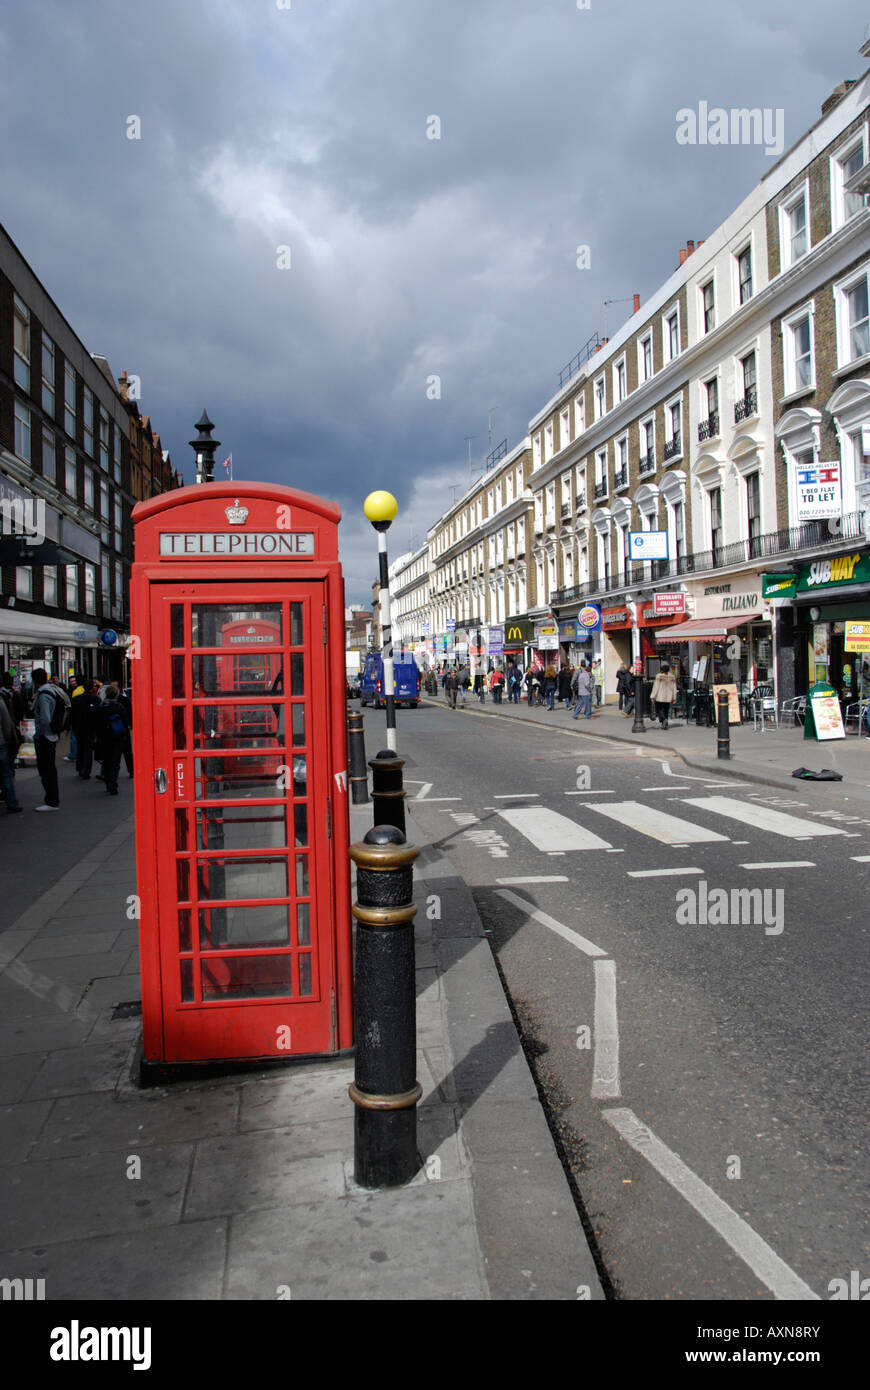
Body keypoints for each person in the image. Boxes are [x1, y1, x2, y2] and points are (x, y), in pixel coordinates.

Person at [31, 668, 69, 811]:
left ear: (35, 680)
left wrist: (38, 734)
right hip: (51, 735)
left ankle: (51, 801)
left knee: (46, 769)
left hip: (45, 737)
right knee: (49, 768)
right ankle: (52, 799)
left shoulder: (43, 695)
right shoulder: (52, 691)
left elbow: (45, 719)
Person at [92, 683, 130, 794]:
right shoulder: (118, 706)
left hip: (103, 738)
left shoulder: (100, 707)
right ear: (116, 695)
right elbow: (125, 722)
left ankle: (108, 783)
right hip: (117, 738)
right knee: (115, 763)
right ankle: (113, 784)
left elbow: (96, 724)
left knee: (107, 762)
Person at [72, 679, 101, 779]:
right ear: (92, 688)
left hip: (78, 727)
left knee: (80, 747)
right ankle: (86, 770)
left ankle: (79, 767)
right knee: (88, 749)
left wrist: (70, 727)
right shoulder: (96, 700)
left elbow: (72, 714)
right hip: (90, 728)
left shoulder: (76, 699)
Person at [0, 694, 22, 813]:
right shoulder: (1, 701)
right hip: (1, 743)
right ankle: (12, 802)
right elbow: (7, 723)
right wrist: (7, 739)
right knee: (6, 774)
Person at [650, 663, 678, 730]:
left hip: (660, 696)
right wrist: (674, 697)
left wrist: (653, 696)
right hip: (668, 697)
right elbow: (674, 688)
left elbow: (656, 687)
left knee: (659, 709)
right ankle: (665, 724)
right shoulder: (672, 677)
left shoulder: (659, 676)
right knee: (666, 709)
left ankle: (664, 719)